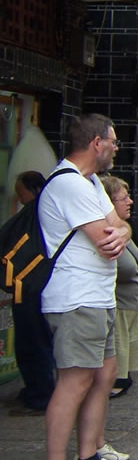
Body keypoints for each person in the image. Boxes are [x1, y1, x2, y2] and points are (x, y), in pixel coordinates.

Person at [34, 114, 131, 460]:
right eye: (113, 141)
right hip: (76, 297)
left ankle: (88, 457)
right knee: (74, 380)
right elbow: (106, 236)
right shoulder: (70, 184)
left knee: (103, 375)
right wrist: (118, 232)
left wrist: (122, 231)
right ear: (96, 143)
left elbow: (120, 227)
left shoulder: (91, 183)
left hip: (98, 296)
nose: (116, 148)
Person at [10, 170, 54, 416]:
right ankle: (37, 389)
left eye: (21, 193)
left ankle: (40, 394)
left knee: (33, 341)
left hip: (30, 284)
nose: (19, 198)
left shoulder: (36, 215)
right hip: (32, 284)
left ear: (35, 190)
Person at [101, 176, 138, 401]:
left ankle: (123, 377)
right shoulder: (102, 232)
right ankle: (115, 381)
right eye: (124, 198)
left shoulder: (124, 230)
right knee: (117, 345)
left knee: (126, 344)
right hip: (116, 303)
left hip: (130, 303)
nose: (130, 202)